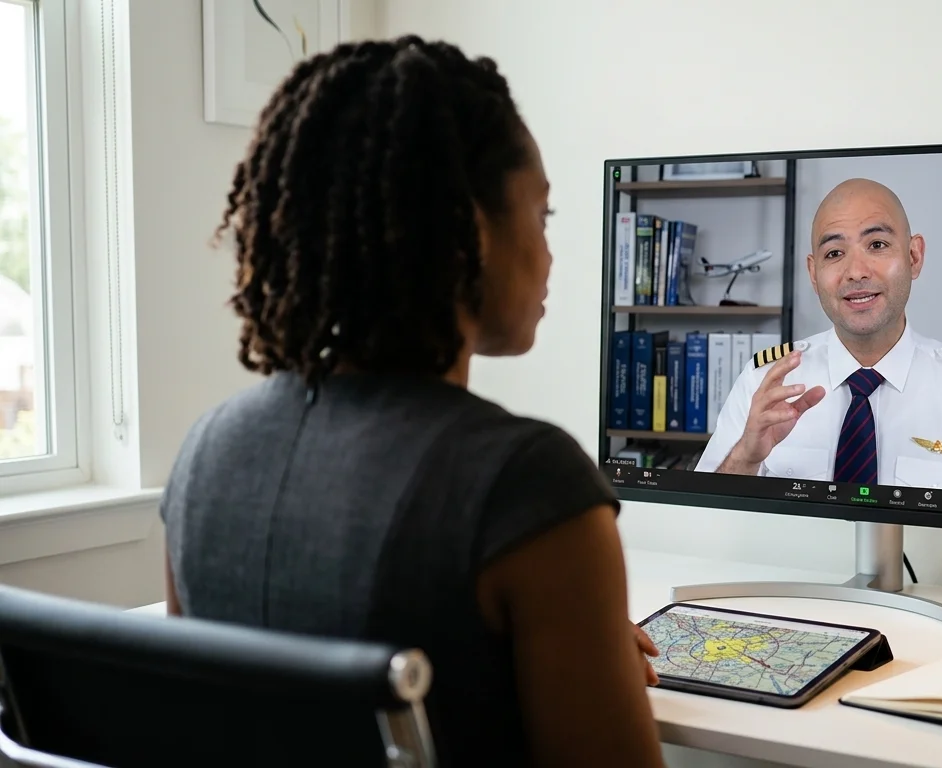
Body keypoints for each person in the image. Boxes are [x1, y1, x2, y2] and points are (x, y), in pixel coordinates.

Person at [158, 37, 665, 768]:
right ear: (473, 229)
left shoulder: (204, 454)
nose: (551, 254)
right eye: (543, 216)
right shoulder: (529, 485)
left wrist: (568, 635)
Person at [694, 178, 942, 497]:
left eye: (877, 245)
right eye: (834, 253)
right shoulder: (767, 383)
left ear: (914, 257)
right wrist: (746, 457)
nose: (856, 272)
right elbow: (701, 523)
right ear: (814, 273)